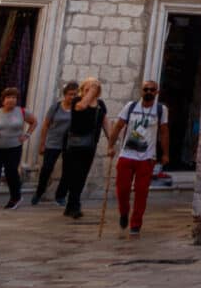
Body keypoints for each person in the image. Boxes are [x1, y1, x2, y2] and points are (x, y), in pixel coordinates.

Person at [107, 79, 169, 238]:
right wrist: (110, 145)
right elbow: (118, 126)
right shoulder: (131, 107)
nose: (148, 92)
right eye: (146, 89)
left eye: (152, 89)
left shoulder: (161, 110)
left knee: (142, 192)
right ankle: (124, 212)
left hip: (147, 157)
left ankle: (136, 224)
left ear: (157, 92)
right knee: (122, 189)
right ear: (141, 91)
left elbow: (163, 132)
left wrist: (165, 153)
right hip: (127, 154)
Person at [57, 76, 107, 219]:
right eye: (88, 87)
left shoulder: (100, 104)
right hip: (74, 144)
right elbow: (82, 106)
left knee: (82, 175)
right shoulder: (77, 101)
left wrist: (111, 141)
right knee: (73, 174)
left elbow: (105, 121)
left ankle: (72, 205)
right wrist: (91, 92)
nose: (91, 90)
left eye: (94, 87)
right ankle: (74, 205)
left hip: (90, 145)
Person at [0, 86, 33, 211]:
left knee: (11, 172)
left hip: (13, 148)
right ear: (3, 99)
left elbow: (34, 122)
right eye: (9, 97)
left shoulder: (22, 112)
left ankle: (15, 197)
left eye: (14, 97)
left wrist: (27, 135)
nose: (11, 100)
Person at [31, 81, 78, 205]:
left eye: (75, 94)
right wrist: (42, 143)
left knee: (67, 170)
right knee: (46, 168)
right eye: (70, 94)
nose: (72, 97)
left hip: (69, 143)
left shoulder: (78, 108)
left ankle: (60, 195)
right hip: (53, 141)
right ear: (65, 94)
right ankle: (39, 192)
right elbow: (46, 125)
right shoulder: (56, 107)